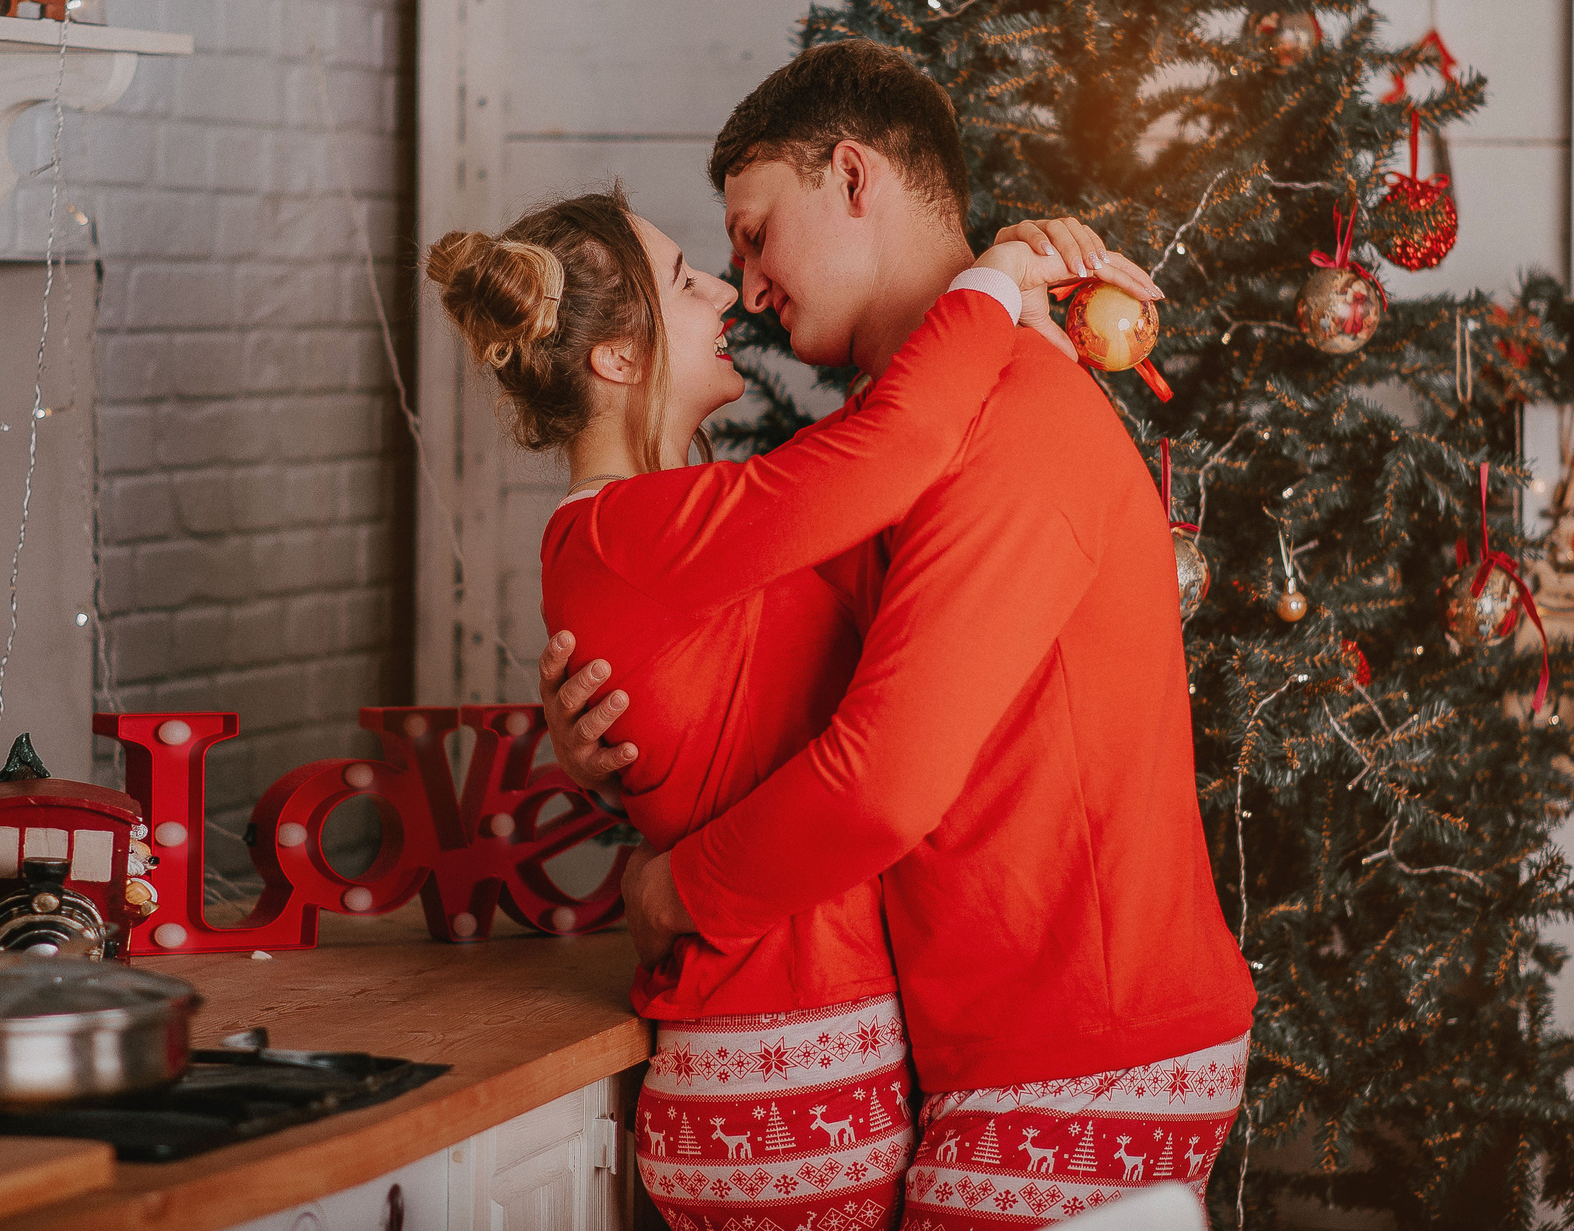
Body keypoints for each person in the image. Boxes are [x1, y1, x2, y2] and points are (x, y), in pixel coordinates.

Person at [539, 39, 1255, 1225]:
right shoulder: (898, 435)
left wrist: (673, 894)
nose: (747, 289)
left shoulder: (1006, 415)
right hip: (995, 1040)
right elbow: (752, 670)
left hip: (1079, 1044)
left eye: (755, 235)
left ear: (851, 176)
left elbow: (882, 783)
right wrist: (596, 730)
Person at [426, 185, 1138, 1231]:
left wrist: (1025, 336)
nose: (725, 293)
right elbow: (891, 451)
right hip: (779, 1067)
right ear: (616, 359)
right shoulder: (634, 531)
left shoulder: (675, 531)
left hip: (797, 1059)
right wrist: (991, 278)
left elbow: (879, 487)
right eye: (685, 281)